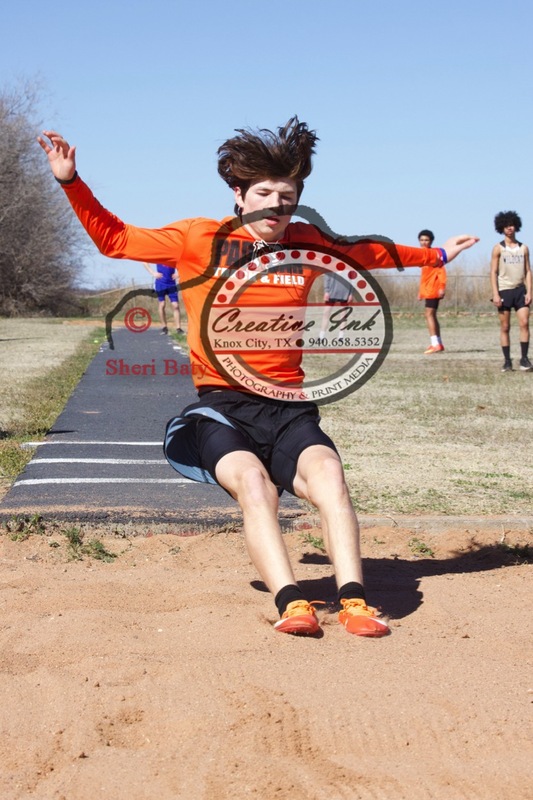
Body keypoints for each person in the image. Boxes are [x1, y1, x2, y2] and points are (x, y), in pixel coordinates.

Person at [38, 119, 478, 638]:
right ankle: (292, 603)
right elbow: (115, 239)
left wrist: (436, 256)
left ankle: (355, 600)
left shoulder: (308, 242)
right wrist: (71, 181)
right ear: (239, 194)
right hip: (222, 407)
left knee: (330, 477)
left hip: (287, 406)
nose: (275, 206)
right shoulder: (199, 238)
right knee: (255, 486)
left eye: (287, 197)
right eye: (264, 194)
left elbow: (370, 251)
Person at [490, 211, 533, 372]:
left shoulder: (524, 248)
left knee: (524, 323)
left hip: (520, 291)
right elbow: (493, 272)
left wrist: (529, 292)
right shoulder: (498, 249)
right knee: (505, 327)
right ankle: (507, 361)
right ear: (501, 227)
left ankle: (524, 359)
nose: (509, 228)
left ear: (516, 226)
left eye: (512, 225)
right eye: (506, 225)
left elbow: (528, 271)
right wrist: (495, 294)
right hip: (504, 291)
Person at [418, 229, 446, 354]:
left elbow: (441, 271)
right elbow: (425, 277)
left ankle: (435, 344)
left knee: (429, 314)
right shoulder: (423, 256)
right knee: (431, 315)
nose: (424, 242)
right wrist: (421, 292)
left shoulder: (434, 254)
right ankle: (438, 343)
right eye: (422, 240)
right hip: (427, 290)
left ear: (431, 241)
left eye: (426, 240)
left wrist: (442, 287)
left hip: (433, 289)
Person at [142, 262, 184, 334]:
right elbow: (144, 262)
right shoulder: (158, 256)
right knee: (162, 304)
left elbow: (185, 263)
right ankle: (164, 327)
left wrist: (179, 273)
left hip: (172, 284)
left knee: (175, 305)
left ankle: (178, 328)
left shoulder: (173, 256)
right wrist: (153, 273)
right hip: (160, 283)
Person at [319, 272, 354, 339]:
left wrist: (351, 293)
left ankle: (341, 337)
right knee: (326, 313)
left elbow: (352, 279)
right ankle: (321, 336)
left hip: (345, 292)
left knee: (343, 315)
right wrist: (326, 291)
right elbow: (326, 278)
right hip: (331, 292)